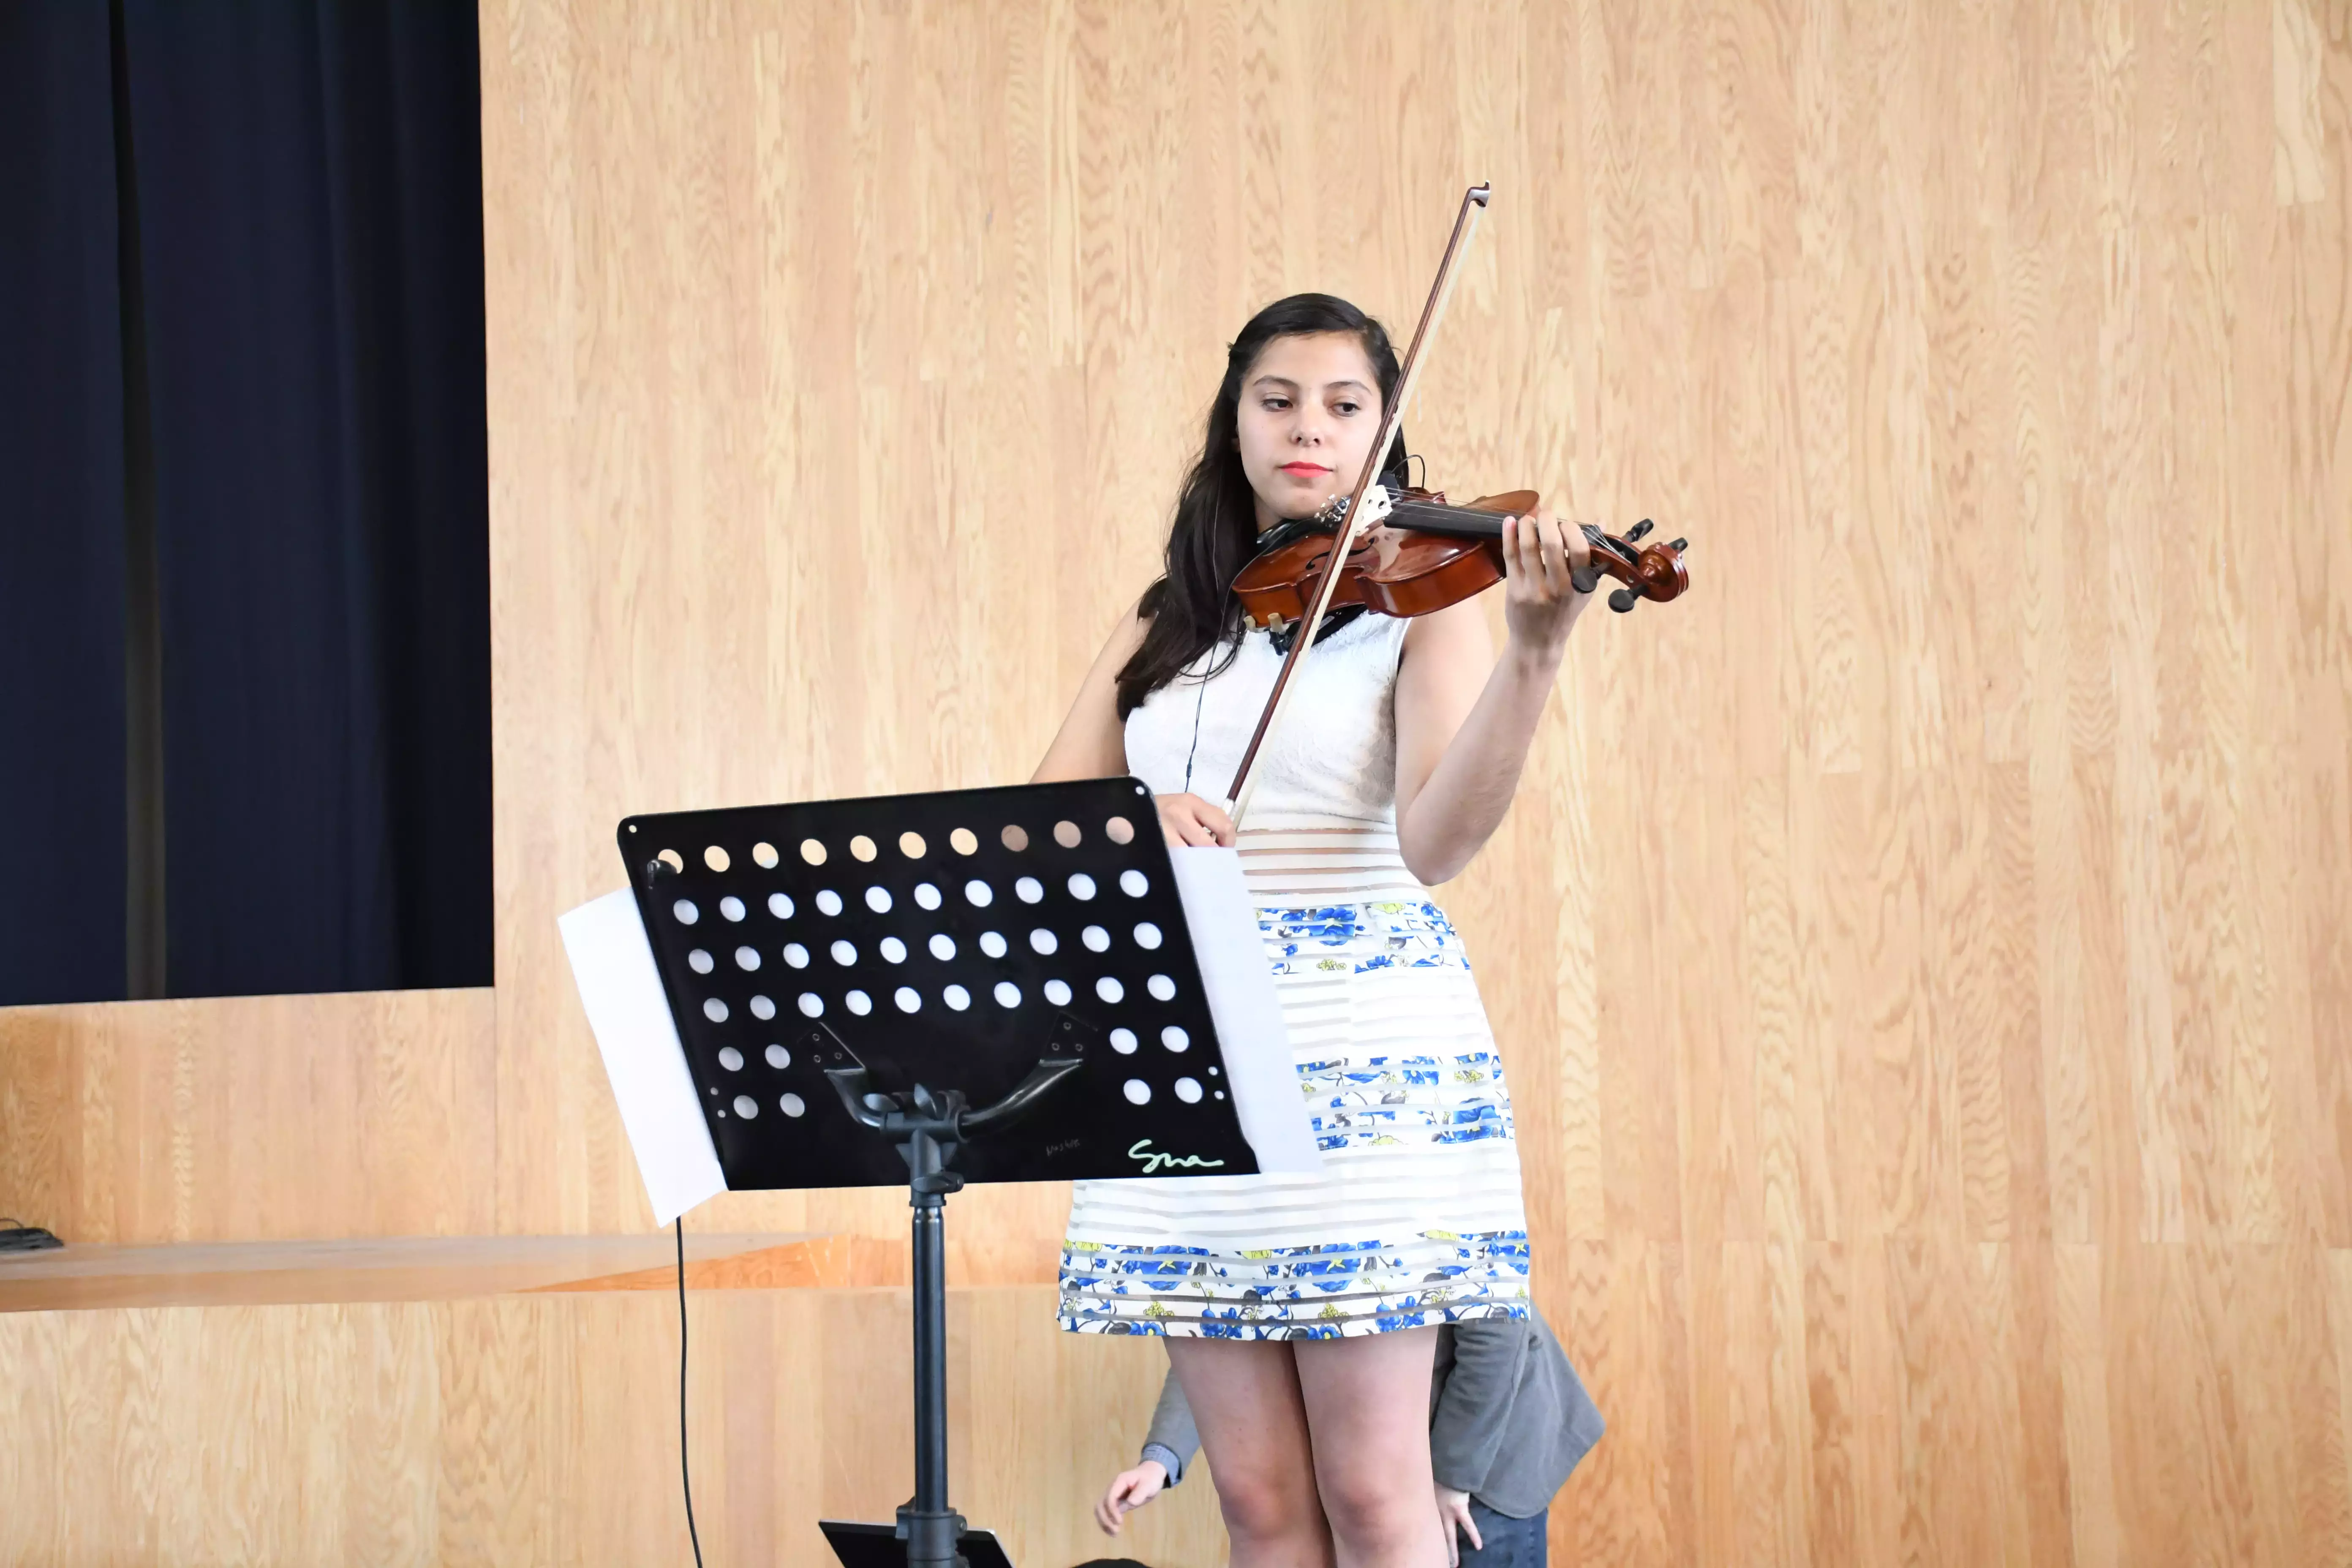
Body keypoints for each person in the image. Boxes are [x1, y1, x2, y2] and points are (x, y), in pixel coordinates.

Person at [1032, 292, 1597, 1568]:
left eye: (1345, 407)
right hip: (1181, 1048)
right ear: (1232, 420)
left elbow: (1434, 841)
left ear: (1381, 438)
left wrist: (1535, 654)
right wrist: (1133, 820)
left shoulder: (1421, 600)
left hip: (1360, 1047)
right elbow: (1041, 824)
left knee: (1373, 1489)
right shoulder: (1165, 617)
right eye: (1276, 399)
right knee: (1258, 1503)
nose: (1308, 429)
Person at [1096, 1309, 1605, 1567]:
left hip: (1487, 1453)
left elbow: (1499, 1341)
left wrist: (1449, 1481)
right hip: (1381, 1459)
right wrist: (1159, 1459)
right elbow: (1228, 1344)